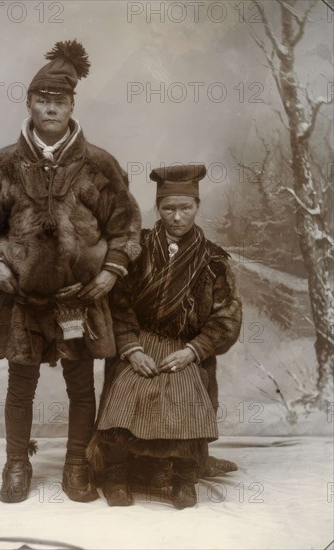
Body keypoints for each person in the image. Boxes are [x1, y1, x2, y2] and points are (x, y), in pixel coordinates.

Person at [0, 40, 141, 504]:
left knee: (81, 387)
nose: (50, 108)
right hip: (21, 299)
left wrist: (111, 271)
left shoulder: (99, 164)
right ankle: (16, 464)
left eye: (59, 101)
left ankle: (78, 465)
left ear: (71, 106)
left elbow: (126, 226)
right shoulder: (3, 163)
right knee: (20, 386)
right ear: (29, 103)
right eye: (42, 99)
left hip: (78, 299)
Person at [87, 164, 242, 509]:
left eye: (185, 208)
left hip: (184, 348)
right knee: (127, 390)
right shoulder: (135, 249)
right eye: (168, 208)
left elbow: (226, 319)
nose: (177, 217)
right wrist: (130, 348)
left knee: (186, 389)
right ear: (157, 209)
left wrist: (193, 351)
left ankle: (183, 478)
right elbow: (117, 303)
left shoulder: (213, 260)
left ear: (197, 207)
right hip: (138, 343)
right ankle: (115, 475)